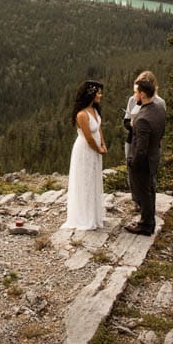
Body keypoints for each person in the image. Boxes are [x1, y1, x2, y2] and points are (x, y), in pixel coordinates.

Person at [61, 79, 108, 231]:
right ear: (91, 95)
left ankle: (93, 214)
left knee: (93, 179)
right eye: (98, 93)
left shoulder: (94, 110)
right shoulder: (82, 115)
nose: (100, 95)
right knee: (84, 180)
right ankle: (84, 216)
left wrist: (103, 143)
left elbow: (98, 129)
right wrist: (98, 148)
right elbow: (88, 138)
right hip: (85, 150)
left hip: (95, 149)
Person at [125, 75, 166, 235]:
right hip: (154, 156)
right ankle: (149, 221)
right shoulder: (159, 109)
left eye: (136, 93)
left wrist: (133, 163)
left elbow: (141, 148)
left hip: (143, 162)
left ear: (142, 94)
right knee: (150, 191)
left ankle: (146, 225)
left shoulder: (142, 119)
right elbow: (161, 131)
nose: (134, 96)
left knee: (144, 193)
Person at [121, 69, 165, 148]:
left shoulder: (160, 103)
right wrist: (131, 125)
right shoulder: (132, 99)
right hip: (132, 142)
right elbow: (126, 122)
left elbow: (161, 127)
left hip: (152, 145)